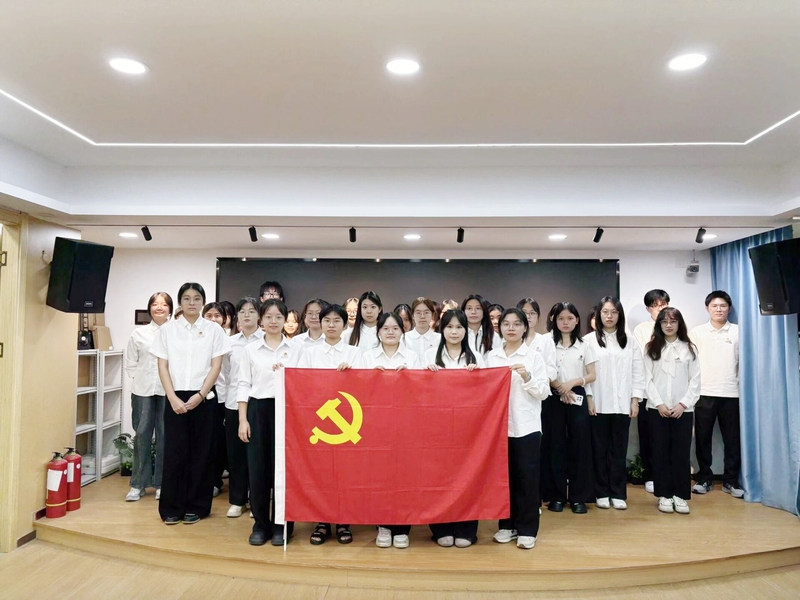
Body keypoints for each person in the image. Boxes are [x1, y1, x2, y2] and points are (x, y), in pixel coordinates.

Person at [150, 283, 231, 525]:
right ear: (180, 302)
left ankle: (197, 507)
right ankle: (172, 508)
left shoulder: (214, 330)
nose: (192, 302)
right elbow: (162, 366)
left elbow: (216, 366)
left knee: (202, 454)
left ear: (203, 301)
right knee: (175, 453)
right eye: (186, 298)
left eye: (196, 298)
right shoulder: (168, 330)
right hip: (174, 397)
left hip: (204, 397)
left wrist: (200, 394)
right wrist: (172, 397)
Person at [297, 304, 363, 545]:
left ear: (345, 325)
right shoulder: (309, 353)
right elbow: (299, 383)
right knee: (321, 472)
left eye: (337, 321)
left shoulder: (355, 353)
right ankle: (322, 521)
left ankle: (344, 520)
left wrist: (351, 373)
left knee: (345, 473)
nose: (331, 325)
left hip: (348, 419)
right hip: (318, 420)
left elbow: (365, 386)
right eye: (327, 320)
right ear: (320, 323)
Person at [237, 299, 301, 546]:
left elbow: (305, 382)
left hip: (288, 411)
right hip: (258, 410)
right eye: (268, 317)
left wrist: (288, 375)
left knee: (284, 471)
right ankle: (260, 524)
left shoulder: (296, 349)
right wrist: (243, 419)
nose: (273, 321)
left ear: (286, 320)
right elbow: (243, 384)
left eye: (278, 317)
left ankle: (282, 525)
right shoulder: (250, 350)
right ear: (261, 320)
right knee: (258, 470)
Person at [486, 308, 550, 549]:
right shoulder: (491, 357)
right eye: (506, 324)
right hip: (498, 429)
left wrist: (527, 377)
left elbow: (543, 392)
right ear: (500, 327)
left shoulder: (533, 357)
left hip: (526, 428)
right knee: (504, 479)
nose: (511, 328)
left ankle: (527, 529)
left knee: (527, 479)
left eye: (516, 324)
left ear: (525, 327)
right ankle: (507, 526)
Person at [424, 309, 483, 548]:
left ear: (466, 331)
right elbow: (416, 391)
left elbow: (486, 391)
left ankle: (467, 527)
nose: (454, 332)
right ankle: (441, 527)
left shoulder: (476, 357)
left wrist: (478, 377)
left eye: (459, 327)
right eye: (449, 327)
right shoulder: (429, 356)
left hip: (469, 430)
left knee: (468, 476)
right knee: (439, 476)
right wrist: (426, 376)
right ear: (442, 330)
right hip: (436, 429)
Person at [362, 312, 420, 549]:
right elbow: (356, 390)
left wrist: (412, 378)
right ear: (378, 332)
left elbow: (422, 392)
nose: (390, 332)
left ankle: (403, 528)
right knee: (379, 477)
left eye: (395, 328)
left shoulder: (413, 357)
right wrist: (367, 377)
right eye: (385, 328)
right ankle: (383, 525)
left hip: (406, 427)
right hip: (376, 427)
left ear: (402, 331)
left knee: (405, 476)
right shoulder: (367, 357)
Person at [586, 297, 645, 510]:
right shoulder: (588, 341)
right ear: (599, 315)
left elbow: (638, 372)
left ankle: (618, 493)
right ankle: (601, 492)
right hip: (598, 403)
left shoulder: (630, 341)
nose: (609, 316)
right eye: (605, 312)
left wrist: (635, 400)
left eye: (614, 312)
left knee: (619, 450)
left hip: (622, 404)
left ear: (619, 315)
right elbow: (584, 372)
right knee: (599, 449)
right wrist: (589, 398)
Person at [643, 307, 700, 515]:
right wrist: (658, 403)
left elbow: (695, 380)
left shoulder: (690, 349)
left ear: (679, 324)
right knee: (659, 452)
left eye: (673, 321)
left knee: (681, 453)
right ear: (659, 324)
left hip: (682, 410)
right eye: (664, 321)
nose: (668, 325)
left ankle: (680, 495)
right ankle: (664, 495)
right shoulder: (651, 348)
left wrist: (683, 404)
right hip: (656, 409)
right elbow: (646, 379)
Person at [544, 302, 598, 514]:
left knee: (580, 446)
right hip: (553, 396)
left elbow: (592, 375)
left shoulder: (585, 345)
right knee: (555, 446)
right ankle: (556, 496)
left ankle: (579, 498)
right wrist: (561, 388)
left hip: (577, 395)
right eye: (561, 318)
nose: (565, 322)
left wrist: (572, 384)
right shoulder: (548, 343)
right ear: (554, 321)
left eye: (569, 318)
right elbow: (544, 371)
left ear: (577, 320)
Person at [689, 291, 743, 498]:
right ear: (707, 308)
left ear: (729, 308)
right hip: (704, 392)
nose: (719, 309)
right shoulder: (697, 333)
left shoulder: (738, 331)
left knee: (732, 440)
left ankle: (731, 481)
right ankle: (704, 478)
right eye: (714, 306)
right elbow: (690, 363)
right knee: (702, 438)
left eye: (723, 306)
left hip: (732, 393)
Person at [124, 291, 173, 502]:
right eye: (155, 304)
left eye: (164, 304)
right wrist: (138, 380)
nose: (159, 307)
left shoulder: (175, 333)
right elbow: (131, 363)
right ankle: (138, 484)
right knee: (142, 435)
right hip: (142, 391)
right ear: (149, 308)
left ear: (170, 309)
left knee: (165, 436)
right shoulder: (139, 334)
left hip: (168, 391)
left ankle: (161, 483)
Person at [221, 297, 264, 518]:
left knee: (257, 455)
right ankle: (238, 500)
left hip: (257, 403)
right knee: (236, 454)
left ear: (259, 315)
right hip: (233, 403)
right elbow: (224, 374)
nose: (247, 315)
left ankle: (257, 500)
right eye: (243, 311)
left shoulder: (266, 341)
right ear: (237, 316)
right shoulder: (229, 343)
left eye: (252, 311)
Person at [632, 289, 670, 495]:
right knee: (648, 437)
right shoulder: (642, 329)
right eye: (656, 305)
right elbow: (642, 360)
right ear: (648, 309)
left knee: (669, 438)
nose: (660, 308)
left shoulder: (675, 325)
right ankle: (650, 476)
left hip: (671, 394)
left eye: (663, 304)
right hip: (648, 394)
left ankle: (669, 476)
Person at [202, 302, 229, 497]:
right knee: (207, 441)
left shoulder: (230, 340)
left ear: (224, 319)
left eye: (217, 315)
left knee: (221, 441)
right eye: (209, 315)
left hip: (226, 396)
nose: (213, 319)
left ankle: (219, 480)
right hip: (204, 395)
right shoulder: (199, 339)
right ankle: (210, 481)